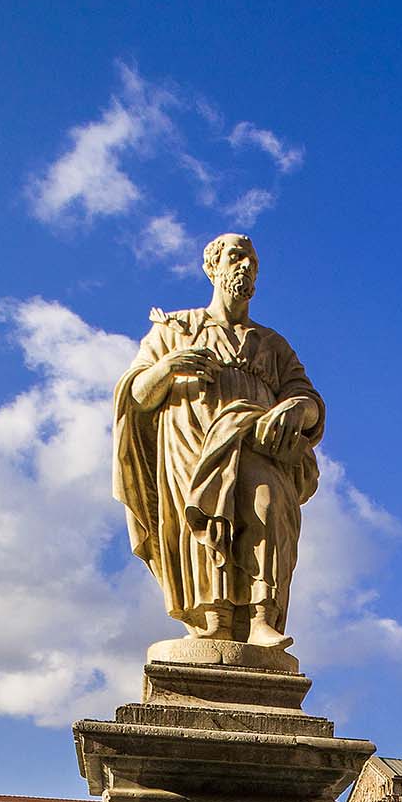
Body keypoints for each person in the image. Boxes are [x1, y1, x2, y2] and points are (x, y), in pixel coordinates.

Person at [113, 232, 323, 648]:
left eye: (253, 261)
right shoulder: (175, 329)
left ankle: (262, 617)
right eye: (236, 257)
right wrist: (168, 367)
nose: (246, 266)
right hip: (192, 443)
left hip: (257, 440)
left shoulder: (272, 344)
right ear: (212, 267)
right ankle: (215, 621)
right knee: (206, 526)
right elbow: (135, 394)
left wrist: (296, 409)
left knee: (266, 504)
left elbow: (309, 399)